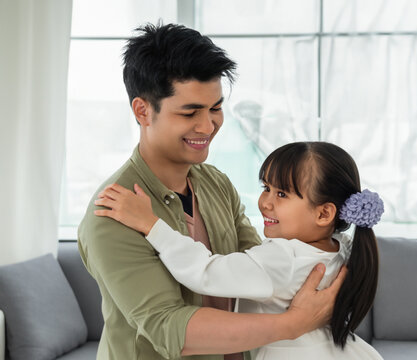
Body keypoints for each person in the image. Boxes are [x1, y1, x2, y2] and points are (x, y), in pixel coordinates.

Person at [77, 23, 345, 360]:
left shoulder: (216, 183)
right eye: (190, 112)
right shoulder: (113, 212)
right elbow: (168, 327)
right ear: (143, 111)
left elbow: (257, 267)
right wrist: (294, 324)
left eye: (215, 109)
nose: (207, 127)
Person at [94, 141, 385, 359]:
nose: (265, 202)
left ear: (324, 214)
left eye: (281, 193)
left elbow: (204, 271)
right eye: (266, 187)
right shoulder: (344, 249)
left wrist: (151, 224)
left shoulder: (282, 259)